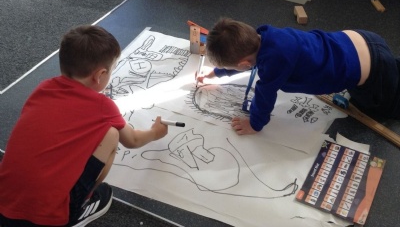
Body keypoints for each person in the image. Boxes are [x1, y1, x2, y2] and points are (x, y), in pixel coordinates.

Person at [0, 25, 168, 227]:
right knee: (112, 134)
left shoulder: (43, 88)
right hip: (50, 218)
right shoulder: (103, 106)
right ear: (100, 75)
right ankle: (80, 208)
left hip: (4, 203)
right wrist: (155, 132)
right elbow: (132, 140)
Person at [196, 18, 400, 136]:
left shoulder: (274, 63)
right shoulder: (264, 37)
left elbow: (264, 95)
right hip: (362, 39)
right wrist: (217, 73)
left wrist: (254, 124)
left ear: (243, 64)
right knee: (391, 69)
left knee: (383, 107)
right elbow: (249, 61)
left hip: (375, 70)